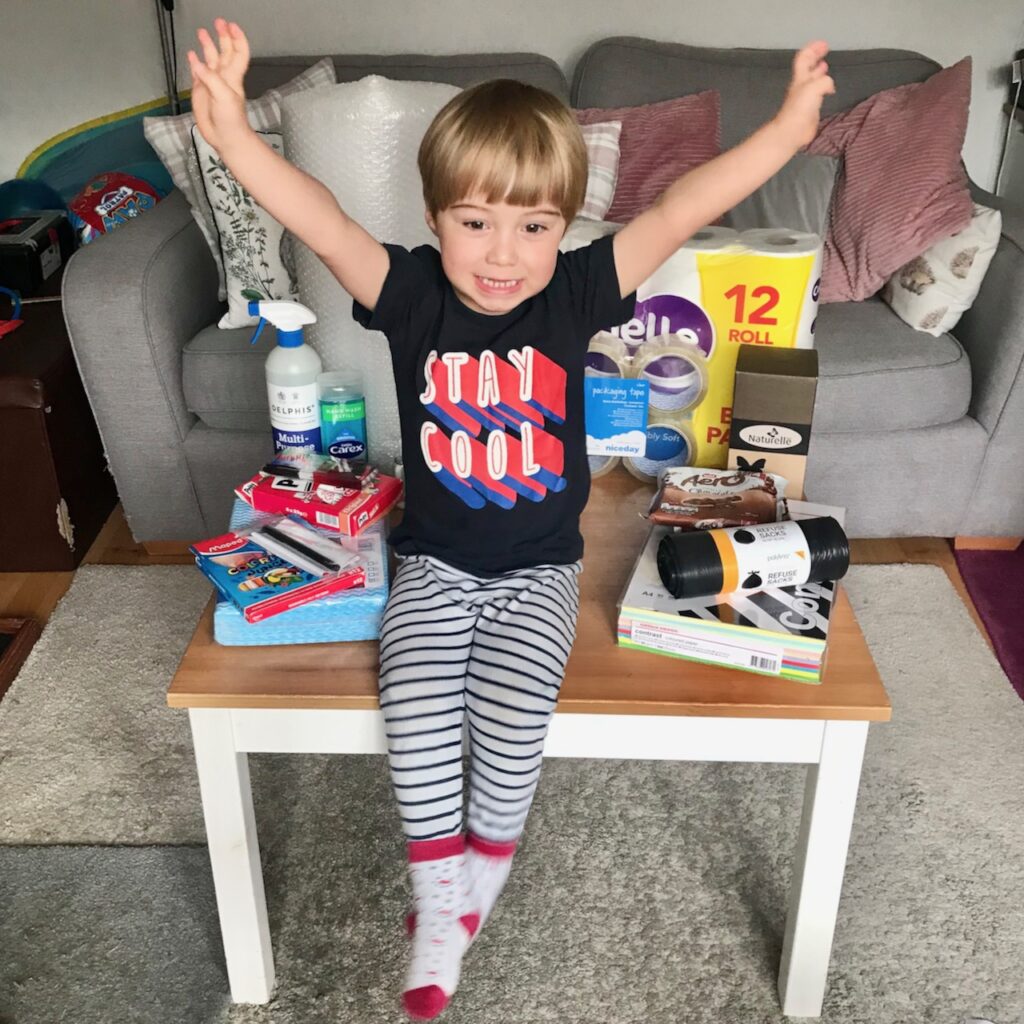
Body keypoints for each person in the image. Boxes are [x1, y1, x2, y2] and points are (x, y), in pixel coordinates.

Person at [188, 20, 834, 1020]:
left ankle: (480, 872)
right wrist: (234, 136)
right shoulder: (407, 295)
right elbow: (318, 221)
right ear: (436, 217)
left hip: (538, 570)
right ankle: (439, 893)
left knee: (510, 716)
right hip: (437, 561)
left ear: (565, 229)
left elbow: (678, 207)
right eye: (476, 222)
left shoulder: (576, 291)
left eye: (534, 225)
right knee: (414, 697)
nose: (502, 254)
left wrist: (789, 129)